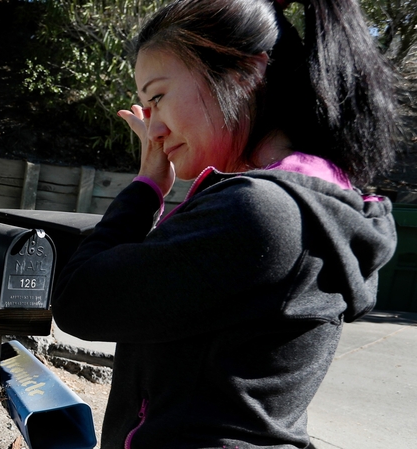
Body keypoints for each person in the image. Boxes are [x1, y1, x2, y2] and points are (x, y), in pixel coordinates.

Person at [51, 0, 401, 447]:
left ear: (244, 74)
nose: (154, 129)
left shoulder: (260, 213)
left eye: (157, 97)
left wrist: (145, 189)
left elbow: (81, 301)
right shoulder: (310, 206)